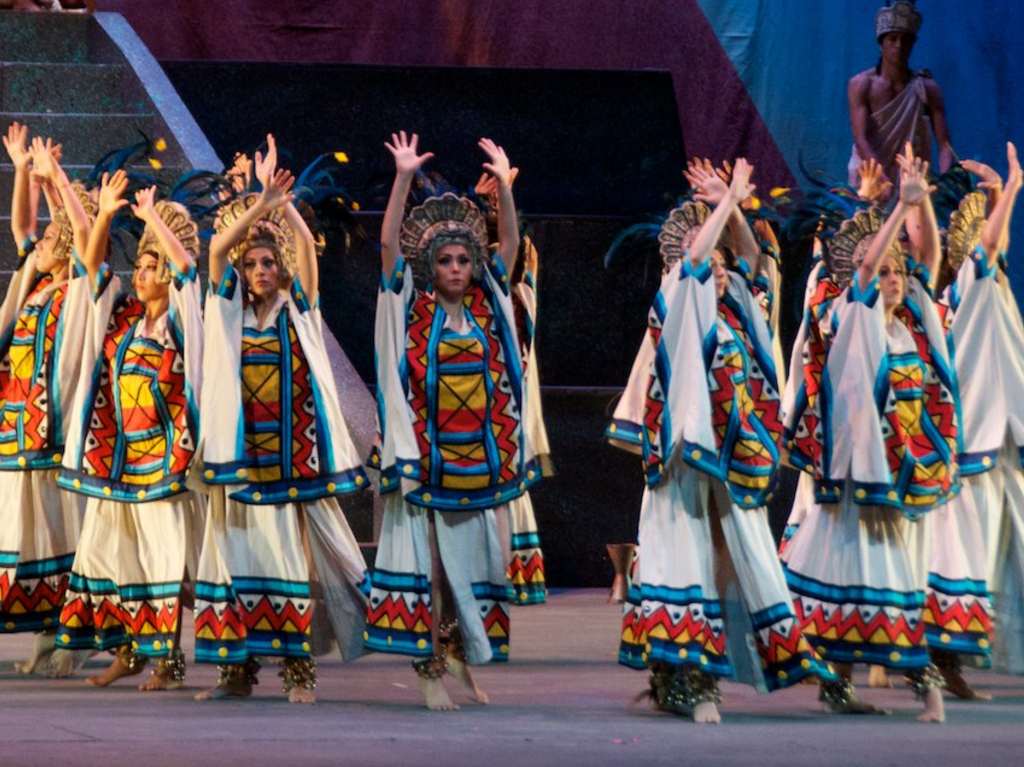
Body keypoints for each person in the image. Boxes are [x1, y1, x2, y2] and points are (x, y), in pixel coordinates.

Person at [610, 159, 837, 724]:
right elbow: (690, 263)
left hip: (730, 458)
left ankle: (718, 667)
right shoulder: (674, 292)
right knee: (681, 559)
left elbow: (756, 265)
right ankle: (685, 674)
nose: (707, 252)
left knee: (738, 558)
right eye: (695, 241)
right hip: (683, 460)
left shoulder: (736, 301)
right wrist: (724, 203)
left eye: (713, 245)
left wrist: (730, 206)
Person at [193, 135, 369, 704]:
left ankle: (298, 672)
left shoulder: (300, 314)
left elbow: (308, 258)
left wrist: (282, 206)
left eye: (269, 262)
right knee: (234, 563)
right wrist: (259, 205)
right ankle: (235, 672)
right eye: (255, 263)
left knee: (286, 563)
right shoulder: (229, 315)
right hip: (242, 462)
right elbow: (216, 252)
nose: (262, 270)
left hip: (289, 464)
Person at [783, 149, 954, 722]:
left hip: (894, 477)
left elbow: (927, 256)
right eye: (882, 271)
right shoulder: (845, 317)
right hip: (854, 480)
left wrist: (919, 200)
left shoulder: (913, 326)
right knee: (844, 585)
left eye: (896, 273)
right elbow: (862, 274)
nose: (892, 279)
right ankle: (844, 686)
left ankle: (921, 687)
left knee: (890, 583)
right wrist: (891, 213)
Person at [368, 131, 531, 711]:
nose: (457, 268)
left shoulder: (489, 309)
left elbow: (508, 245)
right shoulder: (411, 310)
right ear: (430, 266)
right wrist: (403, 177)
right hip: (428, 464)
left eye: (464, 259)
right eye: (446, 260)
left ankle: (458, 653)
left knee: (480, 571)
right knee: (432, 573)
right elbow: (388, 246)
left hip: (481, 465)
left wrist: (505, 191)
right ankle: (429, 669)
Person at [53, 172, 203, 692]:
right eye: (139, 264)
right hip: (118, 462)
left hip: (164, 459)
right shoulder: (122, 319)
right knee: (109, 556)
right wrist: (104, 215)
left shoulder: (183, 321)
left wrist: (154, 221)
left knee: (160, 560)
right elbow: (89, 267)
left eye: (151, 265)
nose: (142, 274)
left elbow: (187, 270)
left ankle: (169, 663)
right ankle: (127, 653)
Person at [930, 144, 1024, 688]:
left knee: (993, 558)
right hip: (972, 450)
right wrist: (1009, 189)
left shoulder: (987, 289)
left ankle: (950, 659)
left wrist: (994, 195)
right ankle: (944, 661)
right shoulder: (971, 284)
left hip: (993, 445)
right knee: (966, 560)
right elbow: (991, 245)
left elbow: (995, 245)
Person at [0, 125, 92, 675]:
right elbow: (24, 228)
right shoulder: (32, 288)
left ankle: (68, 635)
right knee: (21, 536)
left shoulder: (80, 288)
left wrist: (55, 182)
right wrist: (21, 173)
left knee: (59, 534)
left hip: (54, 433)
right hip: (15, 428)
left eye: (58, 238)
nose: (46, 242)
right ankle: (44, 631)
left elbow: (76, 236)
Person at [475, 169, 551, 605]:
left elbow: (513, 251)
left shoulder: (512, 292)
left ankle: (506, 572)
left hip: (503, 393)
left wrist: (500, 201)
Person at [848, 1, 953, 186]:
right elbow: (860, 139)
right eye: (892, 39)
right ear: (881, 43)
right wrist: (880, 177)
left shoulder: (927, 88)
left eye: (906, 40)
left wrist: (946, 181)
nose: (899, 45)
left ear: (913, 43)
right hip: (872, 177)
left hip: (911, 178)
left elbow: (944, 144)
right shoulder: (862, 84)